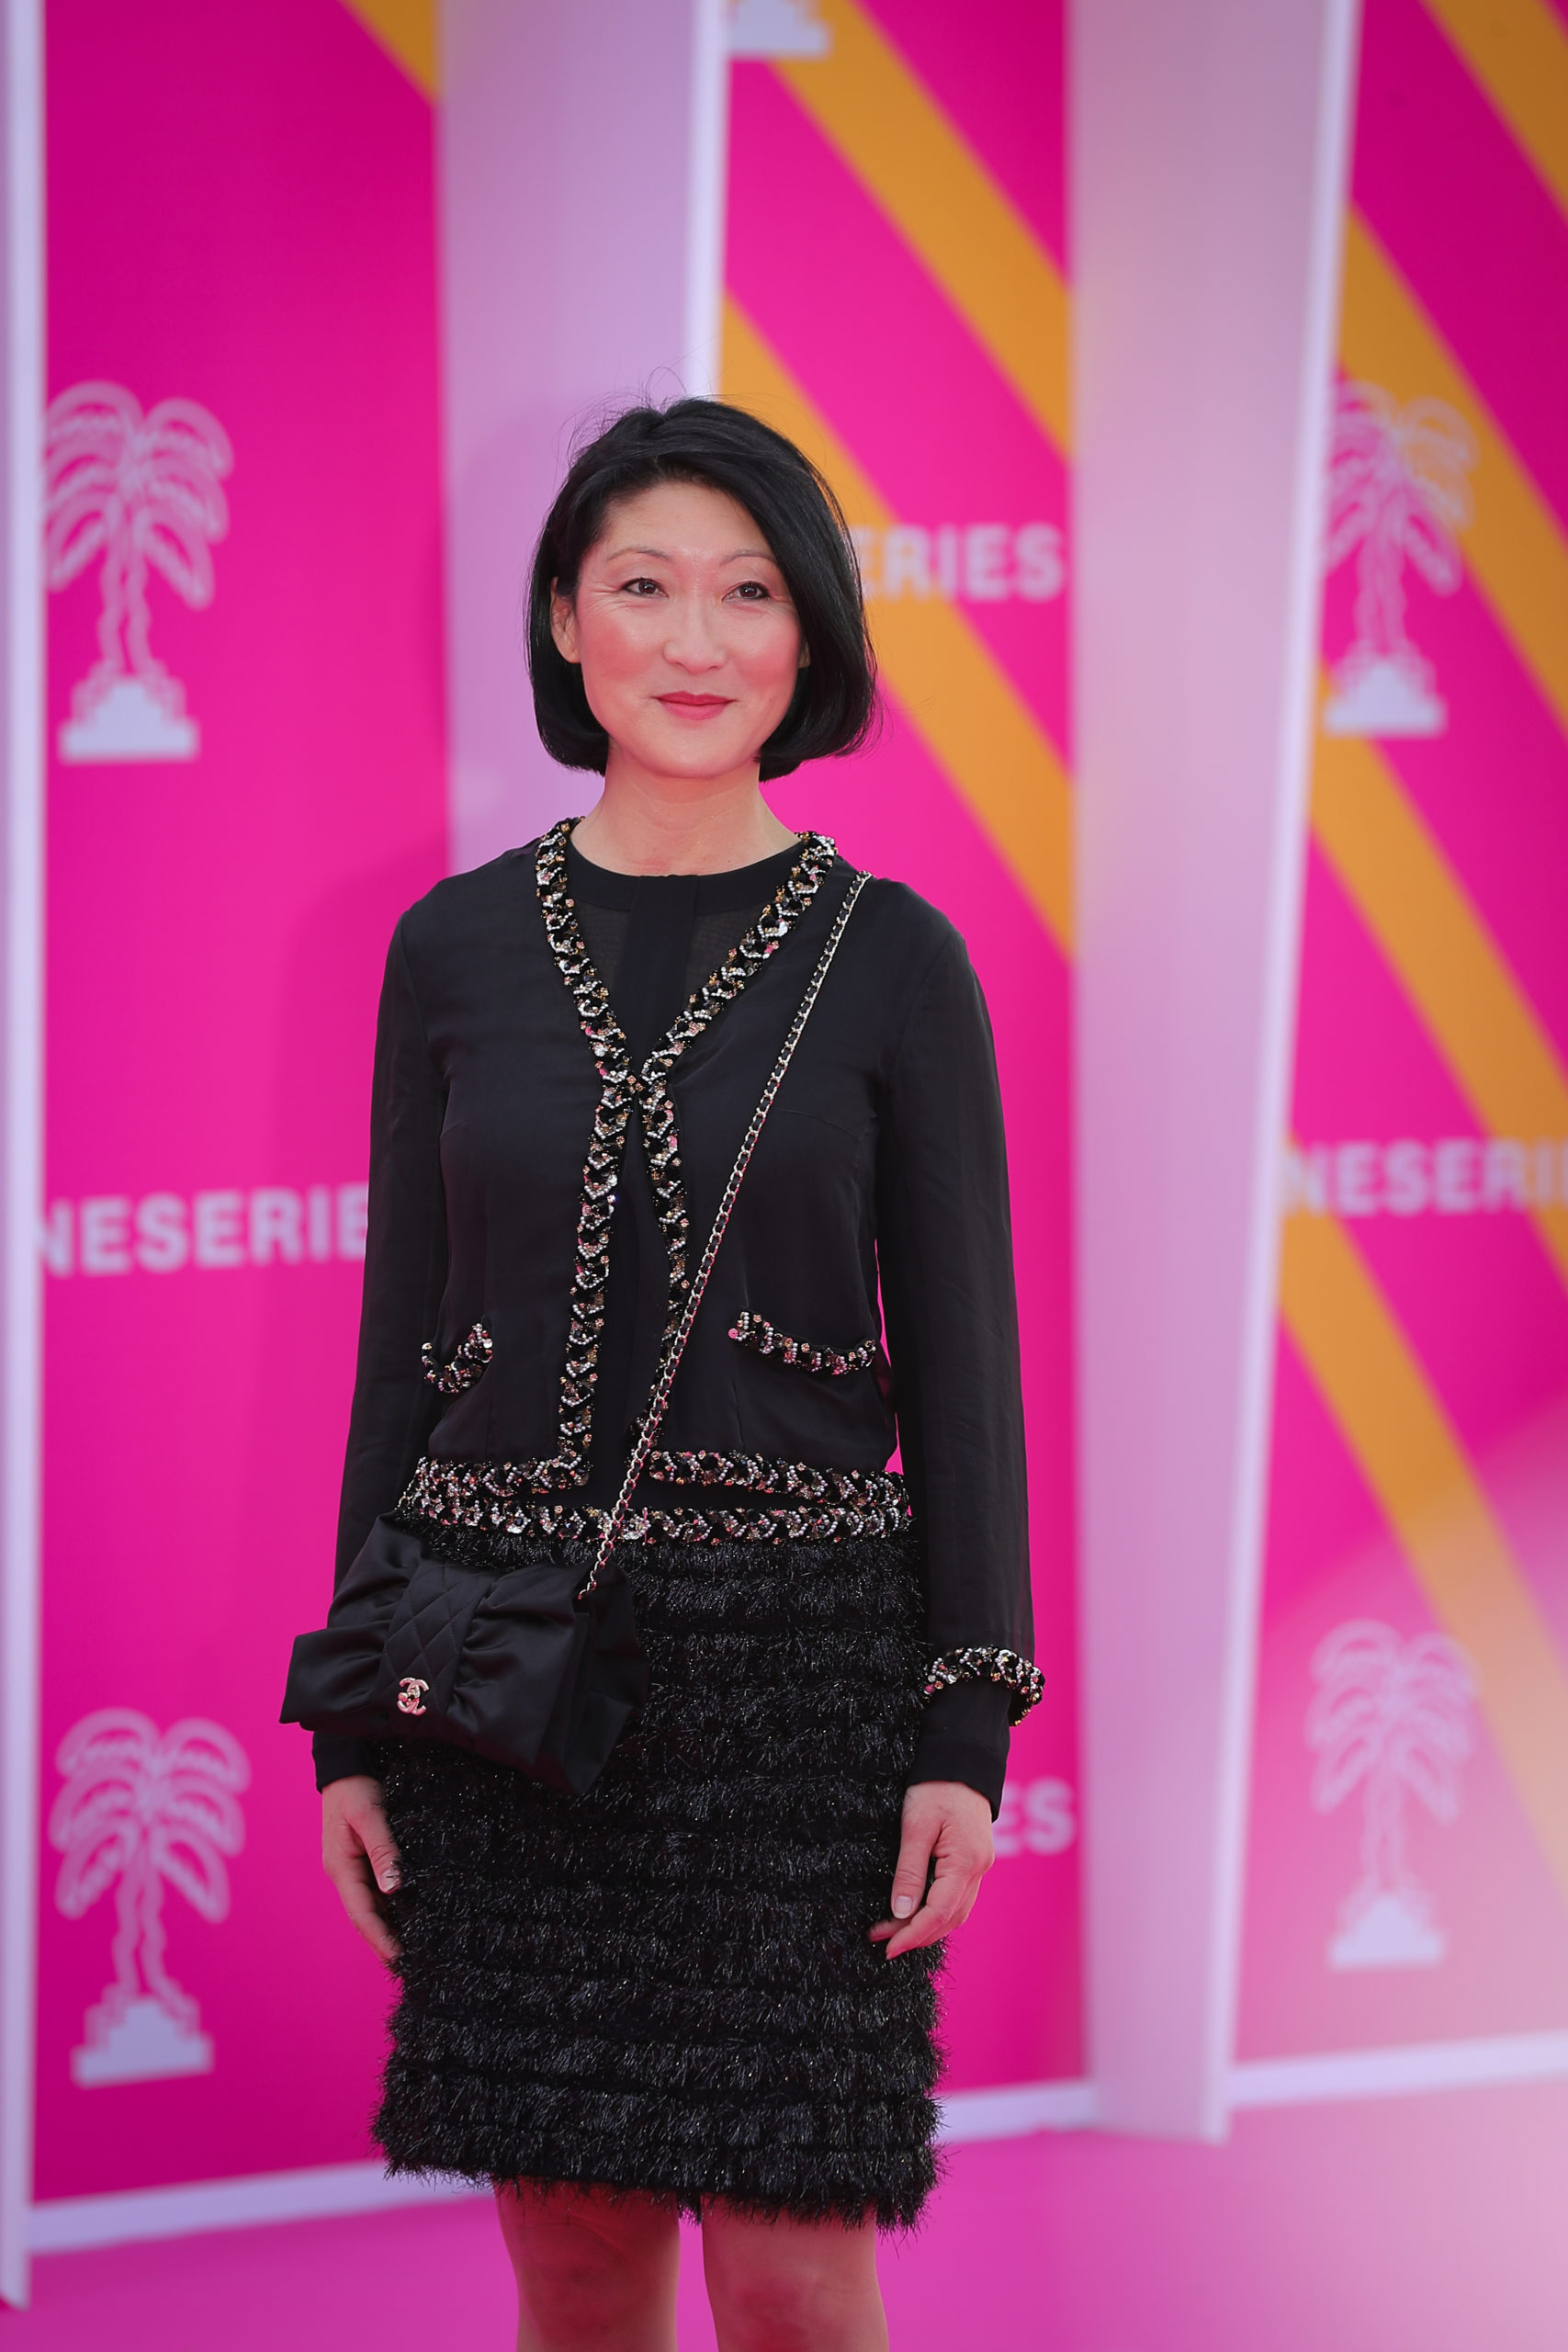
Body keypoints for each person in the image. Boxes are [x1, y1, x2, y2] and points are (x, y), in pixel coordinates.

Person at [312, 398, 1039, 2352]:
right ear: (566, 620)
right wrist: (349, 1714)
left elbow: (963, 1367)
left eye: (748, 592)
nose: (694, 640)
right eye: (642, 586)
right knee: (569, 2253)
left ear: (809, 639)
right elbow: (400, 1350)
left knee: (798, 2274)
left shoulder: (894, 960)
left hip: (796, 1691)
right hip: (501, 1665)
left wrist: (966, 1723)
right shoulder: (453, 947)